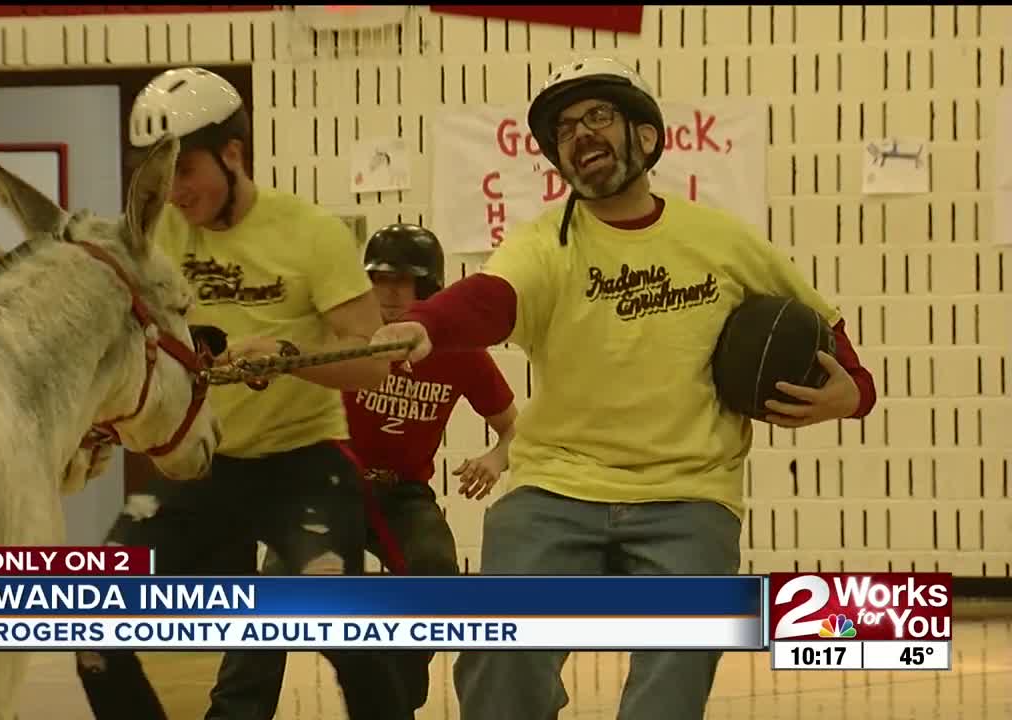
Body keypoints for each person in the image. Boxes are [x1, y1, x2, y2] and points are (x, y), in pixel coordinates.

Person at [369, 57, 879, 720]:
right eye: (564, 128)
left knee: (680, 652)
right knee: (501, 650)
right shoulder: (544, 244)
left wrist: (853, 396)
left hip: (689, 493)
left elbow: (836, 347)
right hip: (556, 487)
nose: (579, 133)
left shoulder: (721, 240)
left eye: (597, 116)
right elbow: (492, 297)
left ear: (643, 134)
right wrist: (424, 323)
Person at [75, 66, 412, 720]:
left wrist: (286, 356)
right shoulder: (158, 237)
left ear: (234, 154)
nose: (174, 191)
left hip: (304, 463)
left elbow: (372, 365)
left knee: (348, 632)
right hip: (202, 463)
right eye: (162, 175)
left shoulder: (311, 232)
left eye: (188, 170)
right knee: (91, 620)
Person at [204, 223, 520, 719]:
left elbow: (511, 428)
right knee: (274, 598)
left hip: (403, 495)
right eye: (379, 280)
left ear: (429, 290)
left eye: (403, 282)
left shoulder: (461, 354)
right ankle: (233, 714)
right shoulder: (344, 341)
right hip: (325, 485)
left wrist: (494, 458)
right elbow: (287, 364)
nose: (389, 293)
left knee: (433, 569)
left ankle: (394, 703)